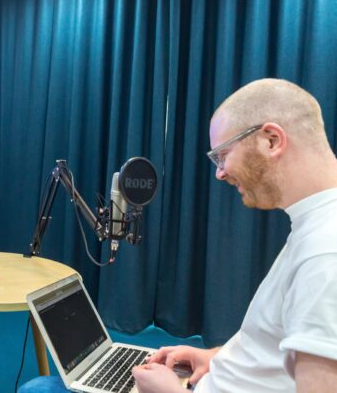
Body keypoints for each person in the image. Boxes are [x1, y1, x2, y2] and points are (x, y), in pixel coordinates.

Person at [19, 78, 337, 392]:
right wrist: (214, 358)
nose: (220, 172)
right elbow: (271, 355)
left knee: (38, 390)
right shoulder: (315, 227)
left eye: (223, 155)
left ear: (271, 140)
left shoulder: (324, 253)